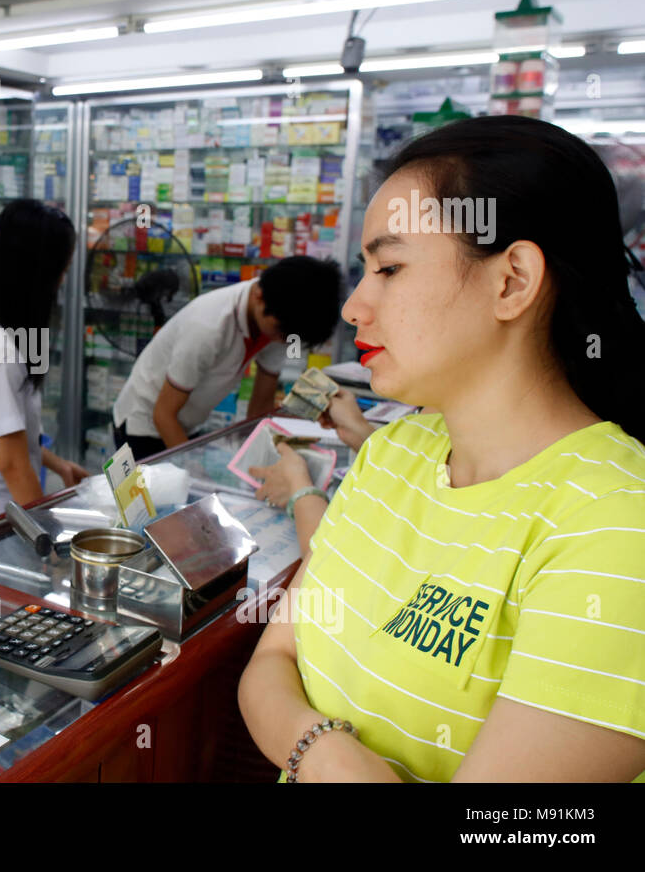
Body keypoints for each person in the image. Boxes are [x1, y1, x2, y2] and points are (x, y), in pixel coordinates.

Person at [238, 115, 645, 782]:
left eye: (390, 267)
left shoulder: (616, 527)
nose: (355, 307)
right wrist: (326, 750)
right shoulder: (392, 453)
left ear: (511, 280)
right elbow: (269, 664)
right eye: (365, 269)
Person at [0, 199, 89, 534]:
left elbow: (11, 433)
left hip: (3, 516)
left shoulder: (3, 335)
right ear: (37, 272)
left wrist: (57, 464)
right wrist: (48, 539)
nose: (61, 282)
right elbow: (13, 466)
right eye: (60, 271)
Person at [111, 256, 343, 460]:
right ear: (259, 297)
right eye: (281, 333)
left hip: (186, 422)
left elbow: (259, 410)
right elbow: (163, 414)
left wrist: (262, 458)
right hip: (143, 425)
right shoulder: (208, 327)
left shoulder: (281, 321)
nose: (282, 341)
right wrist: (190, 471)